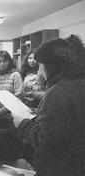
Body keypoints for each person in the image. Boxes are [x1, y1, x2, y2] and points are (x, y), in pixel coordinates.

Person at [12, 35, 85, 176]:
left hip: (61, 168)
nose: (39, 71)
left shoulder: (58, 93)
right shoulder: (78, 84)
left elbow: (45, 142)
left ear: (51, 66)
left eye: (40, 65)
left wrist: (22, 124)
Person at [0, 50, 23, 117]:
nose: (2, 64)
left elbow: (18, 97)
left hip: (11, 113)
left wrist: (3, 110)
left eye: (5, 61)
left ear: (9, 62)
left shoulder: (15, 75)